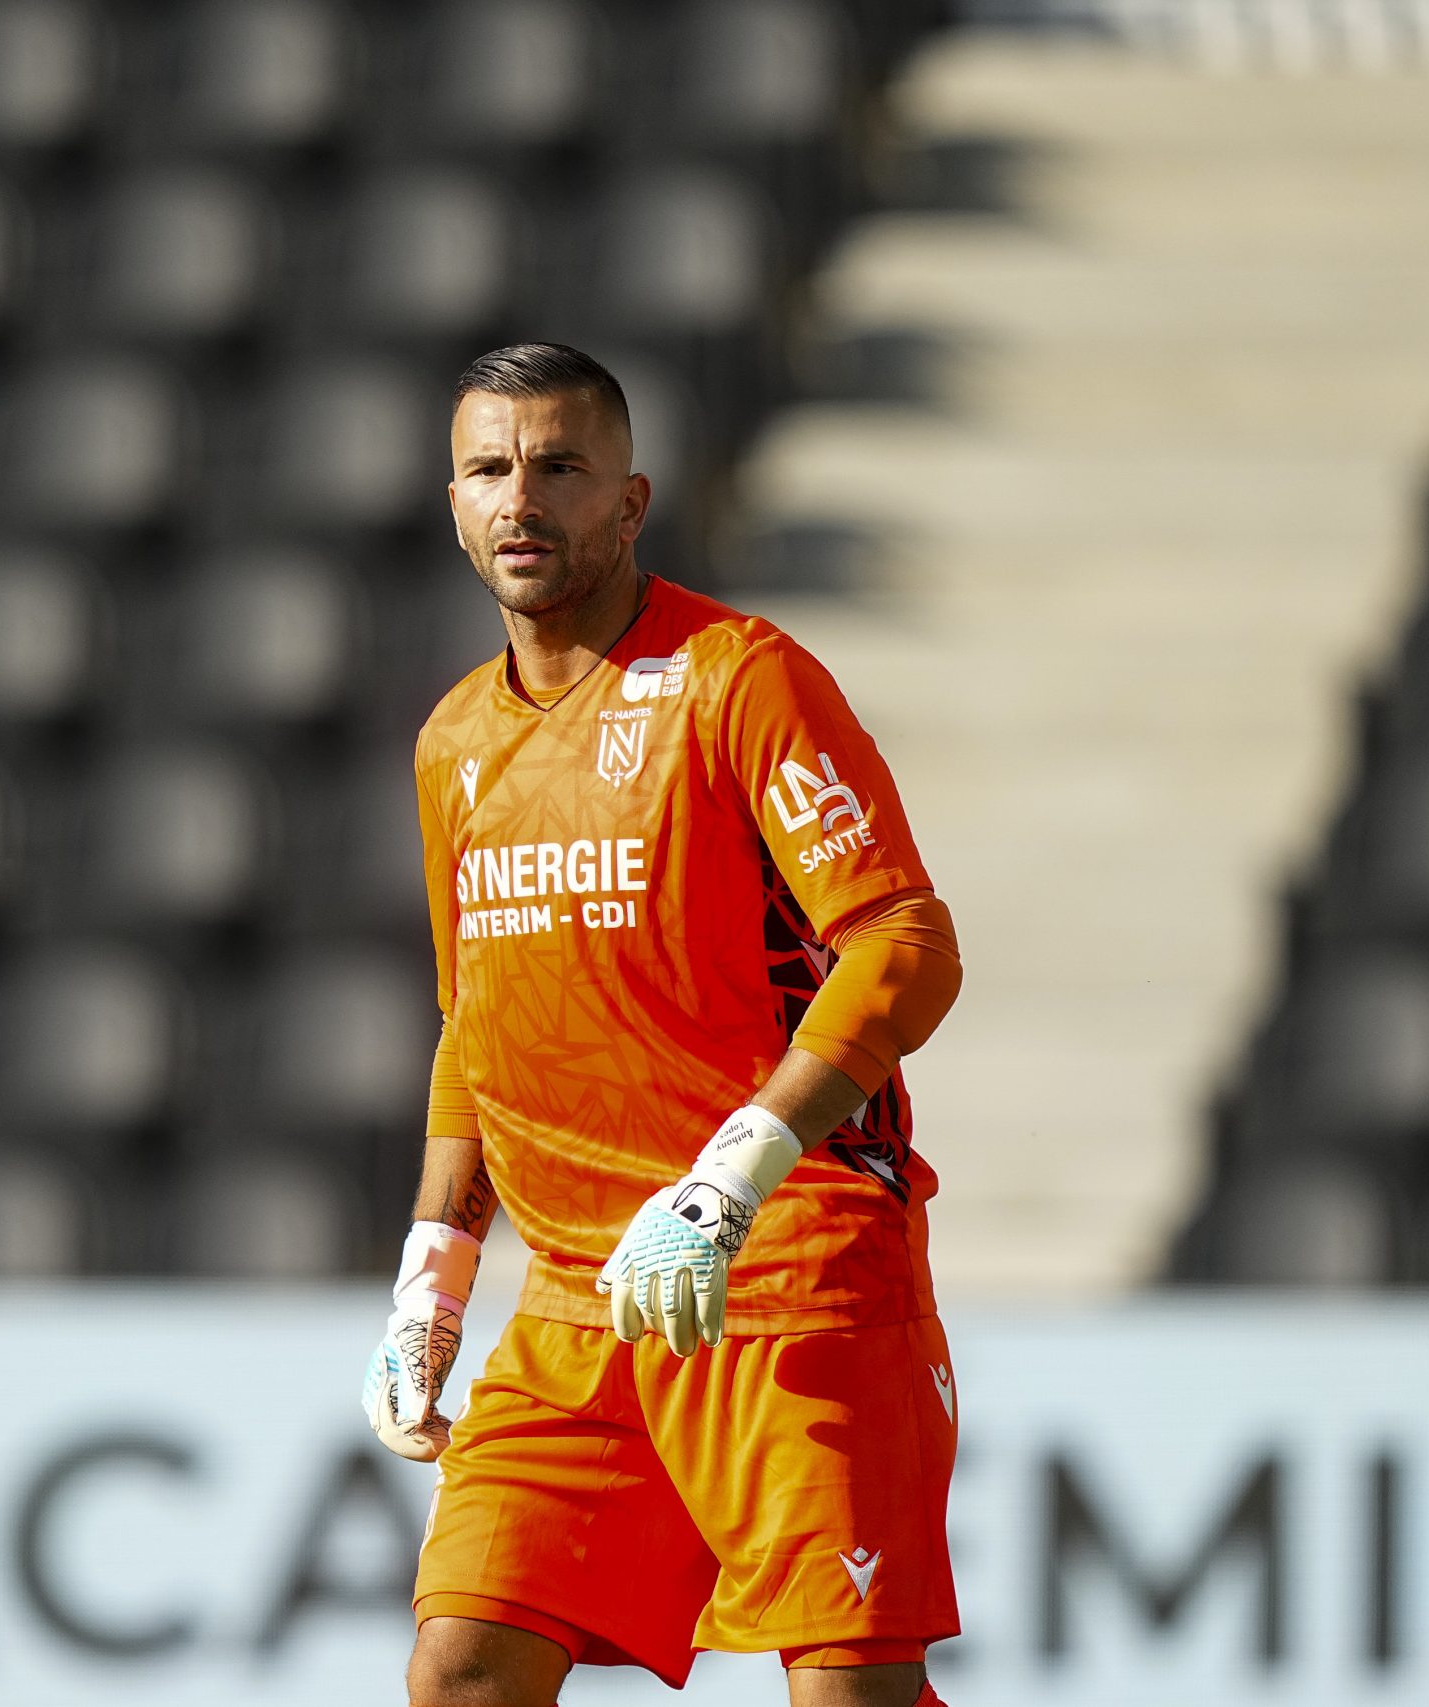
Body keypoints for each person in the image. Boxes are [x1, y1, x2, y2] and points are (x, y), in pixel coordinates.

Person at [363, 343, 965, 1707]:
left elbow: (906, 945)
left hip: (786, 1266)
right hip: (578, 1302)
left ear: (630, 503)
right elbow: (474, 1025)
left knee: (847, 1694)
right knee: (462, 1670)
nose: (522, 500)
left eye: (560, 468)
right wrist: (434, 1278)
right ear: (454, 505)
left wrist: (730, 1178)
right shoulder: (454, 741)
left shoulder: (737, 678)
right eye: (489, 470)